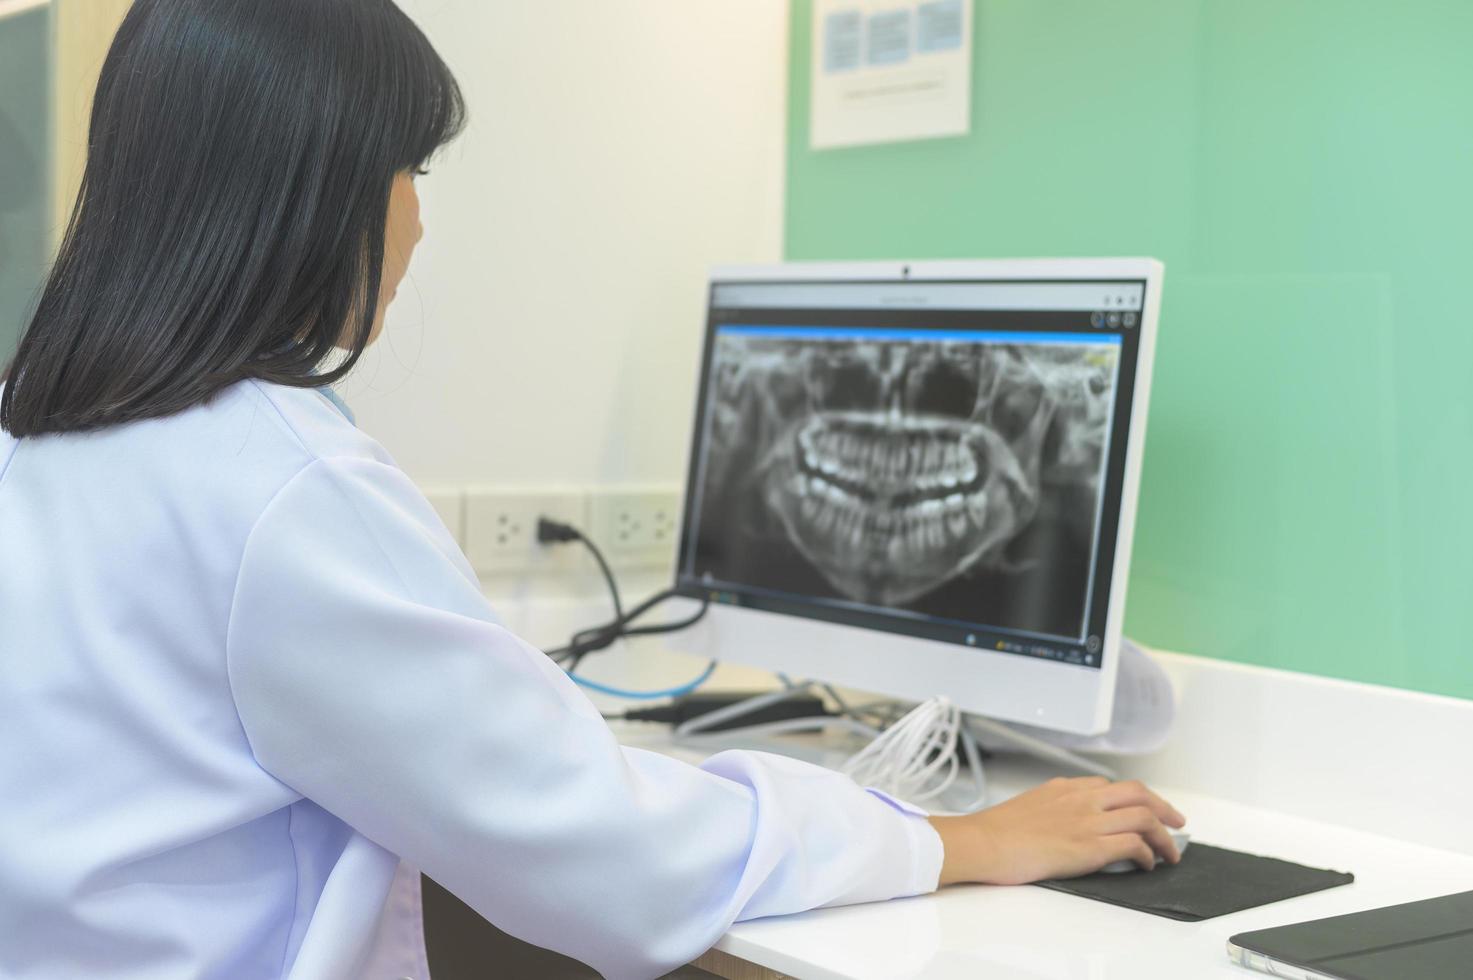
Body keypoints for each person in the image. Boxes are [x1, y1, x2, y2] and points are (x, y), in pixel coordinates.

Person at [0, 1, 1185, 977]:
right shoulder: (282, 489)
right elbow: (604, 847)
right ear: (306, 194)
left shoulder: (43, 435)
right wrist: (950, 840)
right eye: (406, 168)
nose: (417, 216)